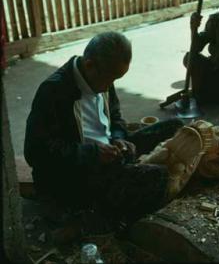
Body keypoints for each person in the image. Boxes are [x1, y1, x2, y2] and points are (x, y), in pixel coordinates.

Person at [24, 32, 189, 226]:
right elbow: (36, 153)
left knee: (177, 128)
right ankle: (94, 213)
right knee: (158, 176)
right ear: (89, 65)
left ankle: (125, 175)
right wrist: (93, 153)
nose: (110, 86)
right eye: (110, 79)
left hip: (108, 153)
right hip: (76, 174)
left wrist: (118, 137)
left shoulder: (102, 78)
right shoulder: (53, 91)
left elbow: (115, 117)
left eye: (116, 79)